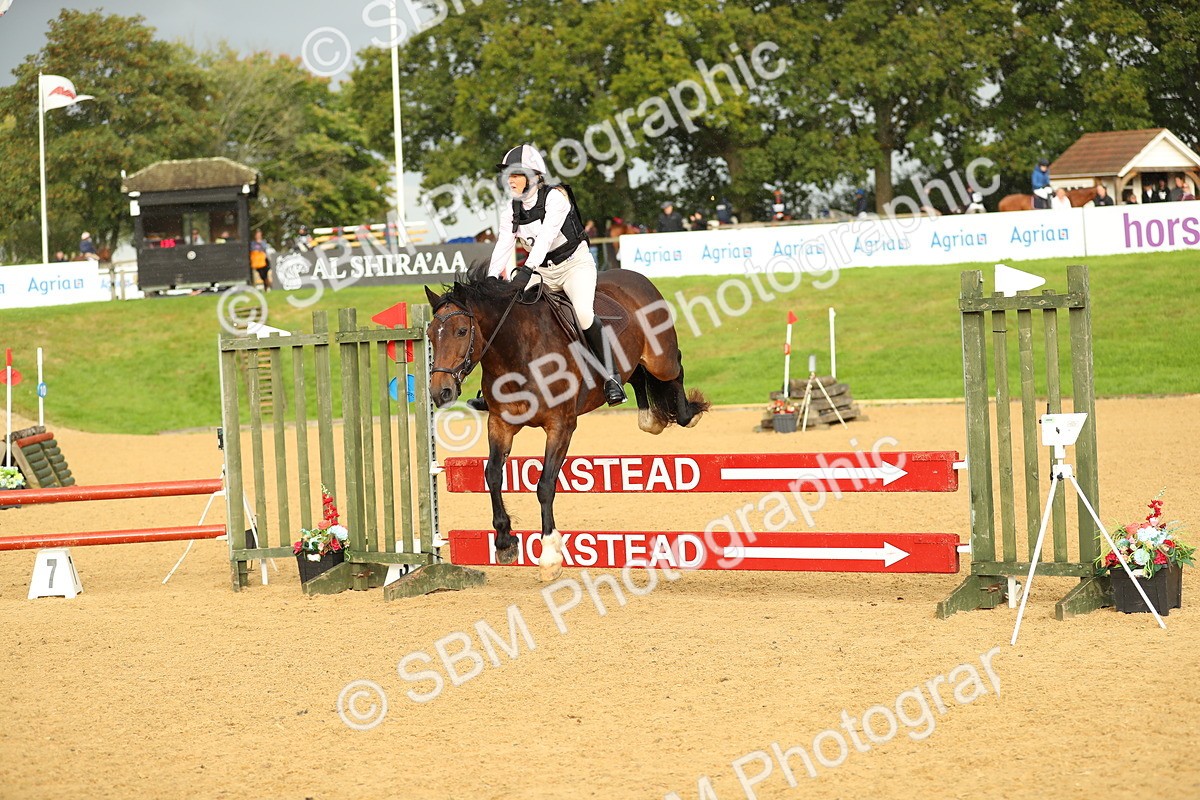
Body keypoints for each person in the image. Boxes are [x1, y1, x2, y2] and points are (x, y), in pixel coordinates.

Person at [484, 143, 625, 407]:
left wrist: (526, 271)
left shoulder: (555, 198)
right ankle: (497, 385)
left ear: (535, 176)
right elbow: (503, 244)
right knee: (507, 311)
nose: (510, 180)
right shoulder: (509, 209)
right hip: (542, 271)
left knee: (583, 314)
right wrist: (492, 279)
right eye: (508, 174)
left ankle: (612, 377)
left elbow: (546, 238)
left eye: (516, 174)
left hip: (574, 265)